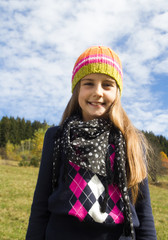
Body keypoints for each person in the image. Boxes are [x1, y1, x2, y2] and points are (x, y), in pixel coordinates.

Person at [26, 46, 157, 240]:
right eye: (88, 83)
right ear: (77, 88)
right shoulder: (56, 136)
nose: (98, 92)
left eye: (107, 85)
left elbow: (144, 214)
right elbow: (40, 204)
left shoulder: (132, 141)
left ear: (117, 91)